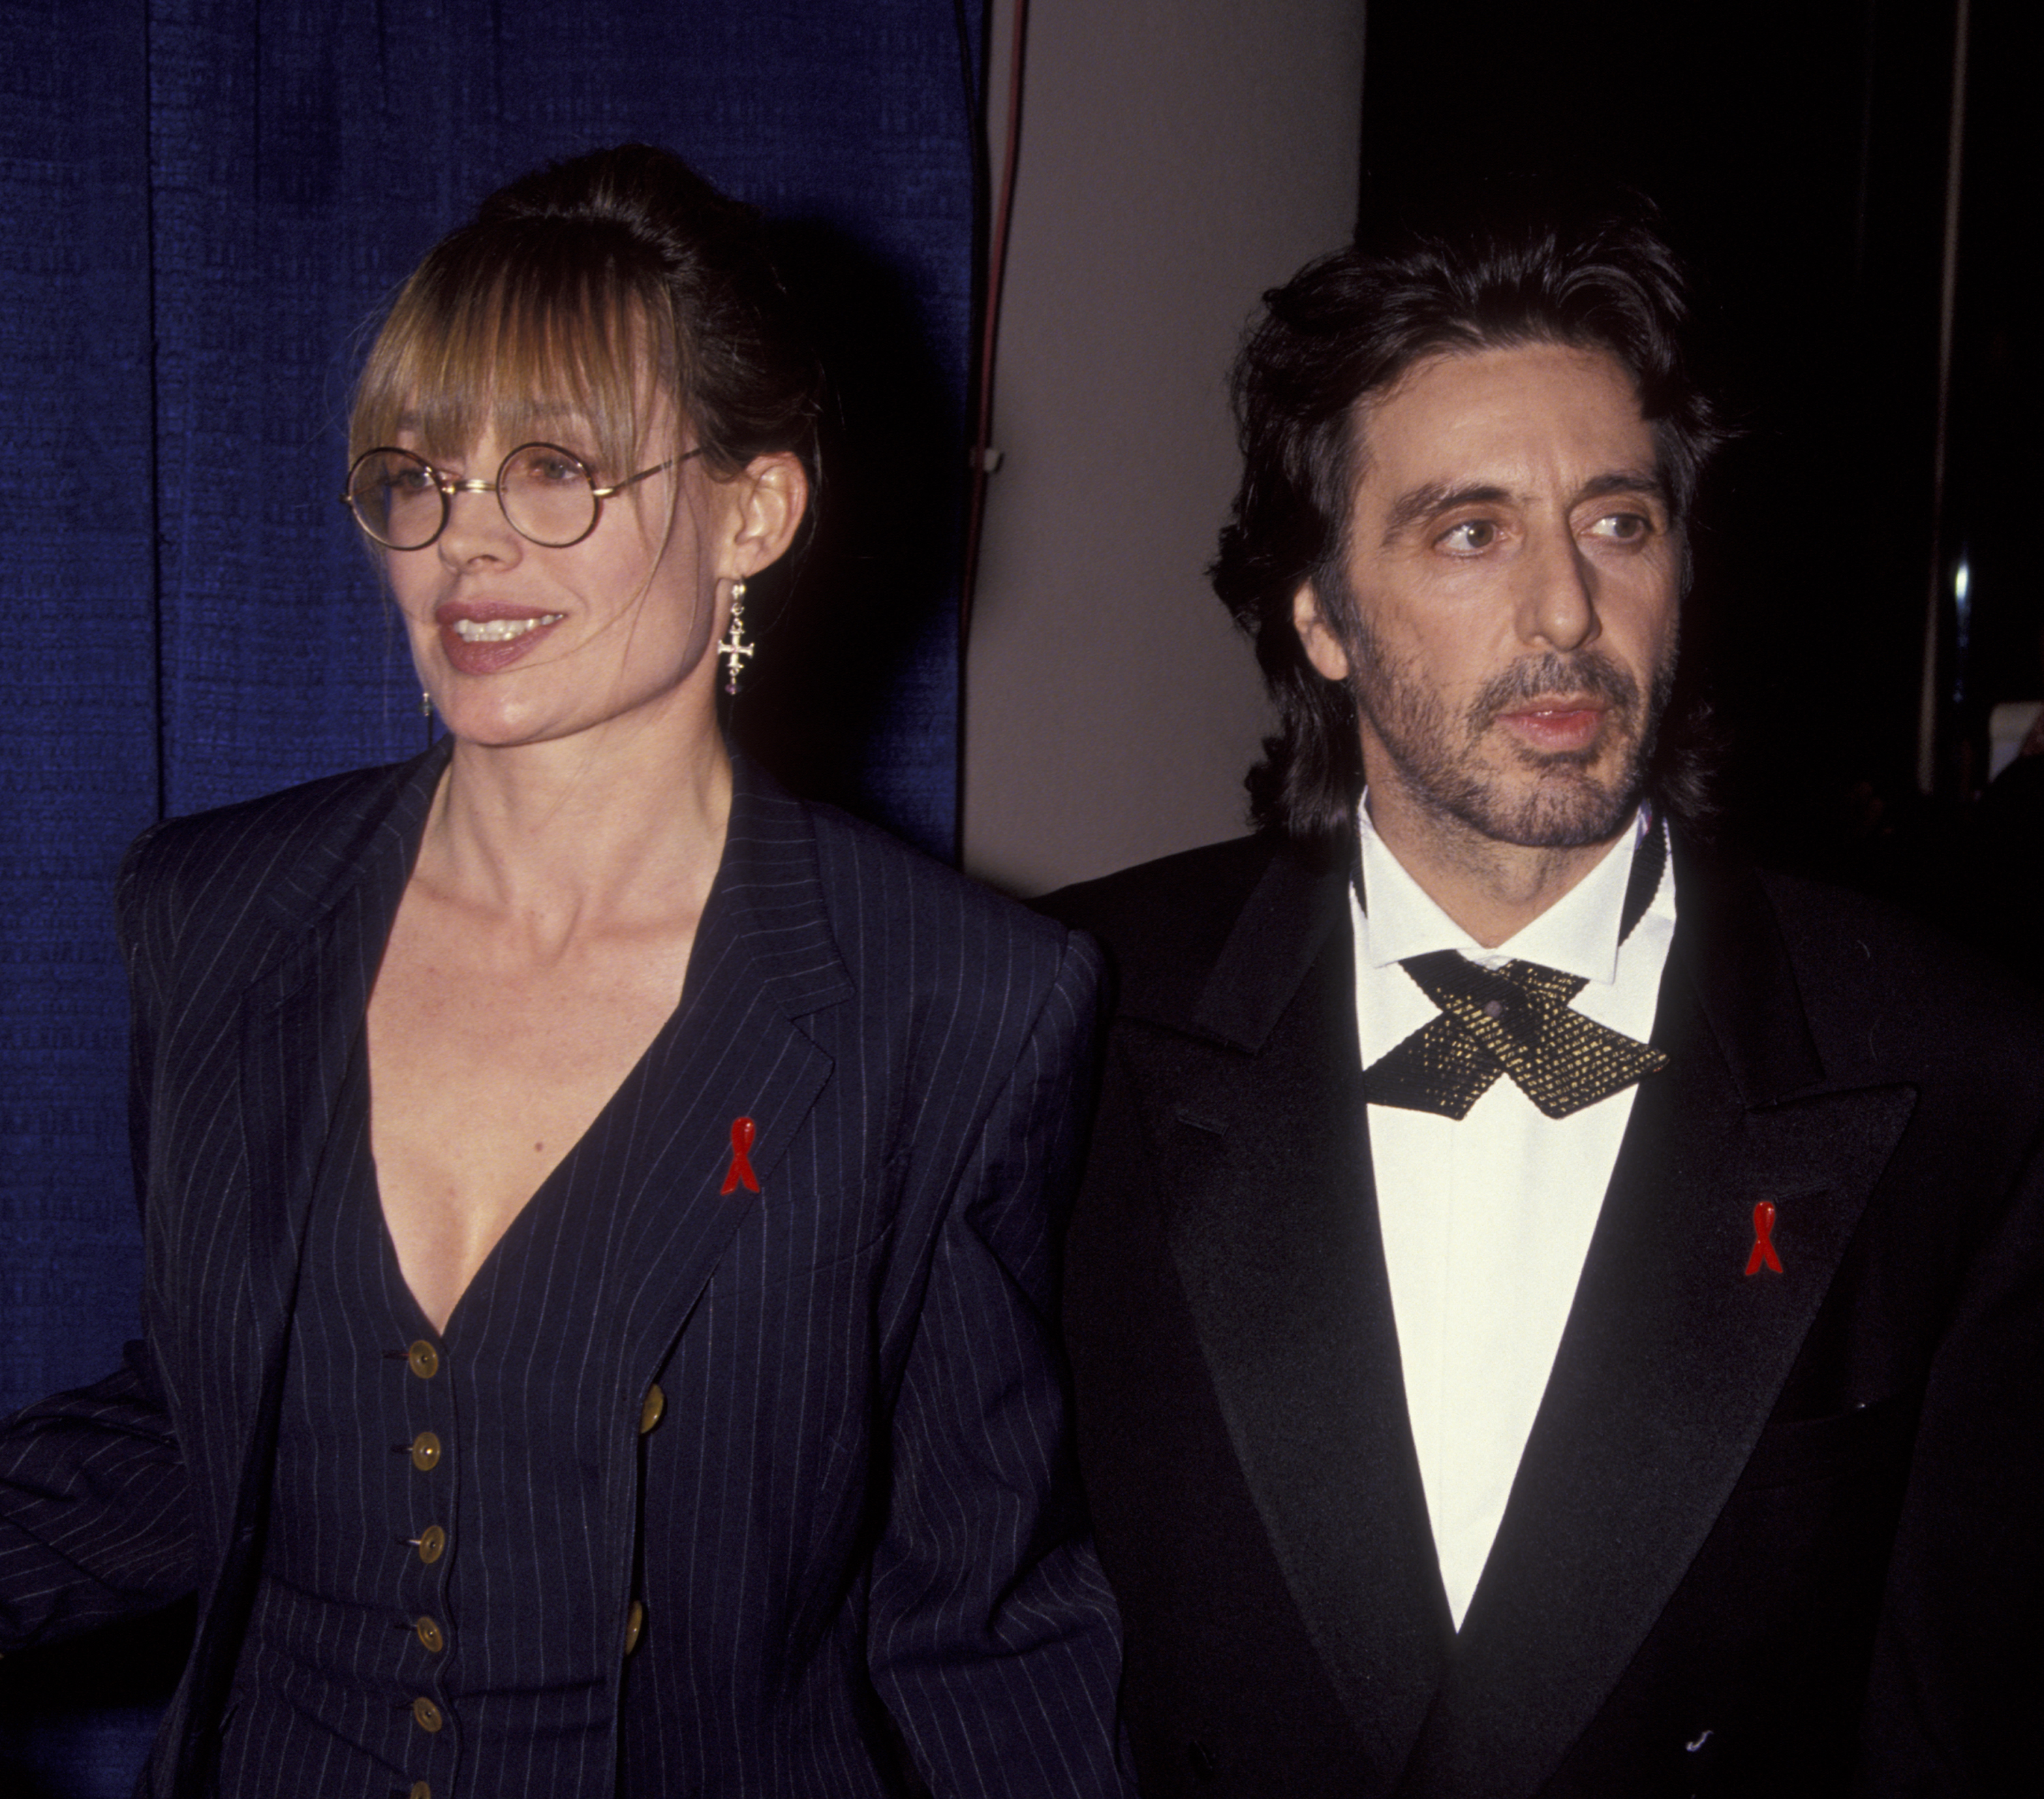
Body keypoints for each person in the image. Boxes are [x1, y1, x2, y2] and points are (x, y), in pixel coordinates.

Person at [0, 144, 1125, 1798]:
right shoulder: (213, 910)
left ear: (753, 510)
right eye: (414, 473)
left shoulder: (954, 1003)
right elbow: (192, 1436)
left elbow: (976, 1621)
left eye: (552, 469)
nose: (463, 542)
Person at [1043, 200, 2044, 1796]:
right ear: (1320, 616)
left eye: (1618, 522)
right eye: (1470, 531)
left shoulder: (1961, 1073)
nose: (1567, 611)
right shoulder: (1060, 1028)